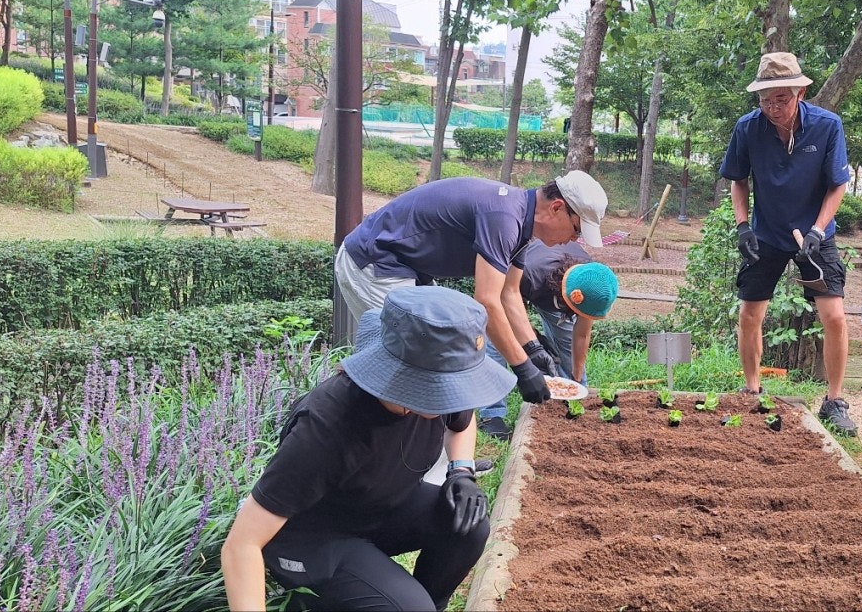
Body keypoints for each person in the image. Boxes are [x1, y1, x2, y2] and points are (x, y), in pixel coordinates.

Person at [221, 286, 516, 611]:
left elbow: (463, 422)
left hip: (376, 509)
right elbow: (242, 544)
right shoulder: (328, 425)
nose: (459, 395)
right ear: (410, 377)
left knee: (468, 527)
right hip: (310, 537)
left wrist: (461, 471)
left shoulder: (440, 392)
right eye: (450, 385)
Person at [335, 171, 608, 420]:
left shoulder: (521, 223)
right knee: (417, 366)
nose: (575, 240)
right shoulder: (504, 217)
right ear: (557, 208)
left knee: (434, 359)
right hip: (377, 264)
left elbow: (508, 292)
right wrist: (522, 368)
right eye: (577, 229)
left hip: (408, 270)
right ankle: (410, 458)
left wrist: (533, 349)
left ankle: (446, 463)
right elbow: (486, 301)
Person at [719, 52, 857, 436]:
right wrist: (743, 226)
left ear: (799, 92)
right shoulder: (748, 129)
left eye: (781, 99)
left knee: (834, 316)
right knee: (750, 313)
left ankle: (834, 400)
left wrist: (817, 230)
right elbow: (738, 180)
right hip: (767, 235)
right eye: (765, 100)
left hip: (815, 237)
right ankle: (751, 389)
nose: (773, 108)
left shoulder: (827, 126)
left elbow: (838, 184)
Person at [477, 242, 619, 439]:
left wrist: (576, 379)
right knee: (497, 343)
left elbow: (581, 335)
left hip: (557, 292)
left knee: (568, 342)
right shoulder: (530, 273)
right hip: (508, 290)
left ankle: (573, 402)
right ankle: (492, 415)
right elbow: (504, 301)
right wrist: (532, 343)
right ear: (569, 298)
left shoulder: (592, 283)